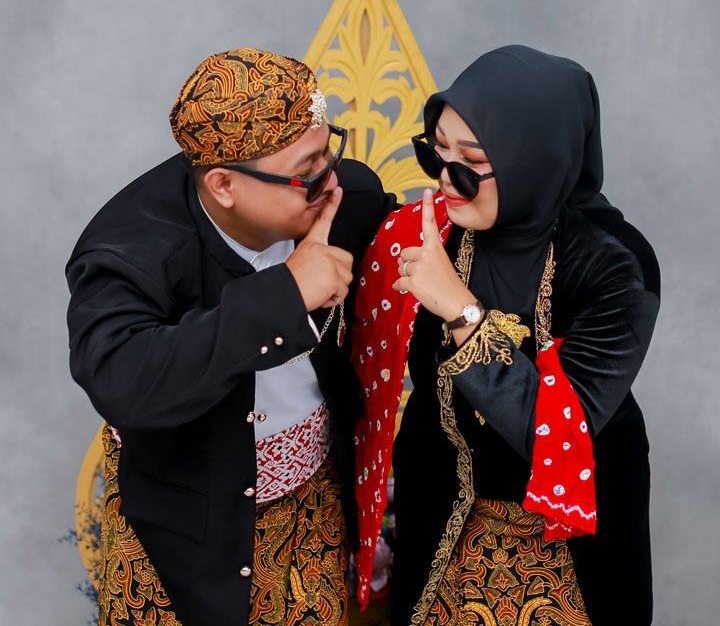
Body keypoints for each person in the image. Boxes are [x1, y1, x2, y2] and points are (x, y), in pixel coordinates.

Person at [66, 48, 395, 626]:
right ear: (223, 184)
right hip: (177, 535)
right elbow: (120, 377)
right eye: (308, 171)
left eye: (330, 151)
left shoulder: (348, 200)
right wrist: (286, 295)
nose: (331, 179)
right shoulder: (132, 249)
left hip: (311, 515)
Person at [351, 45, 660, 626]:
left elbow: (556, 439)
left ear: (535, 161)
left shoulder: (615, 266)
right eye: (434, 153)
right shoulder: (428, 232)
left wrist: (460, 311)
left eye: (469, 164)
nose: (445, 181)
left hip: (570, 543)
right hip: (442, 522)